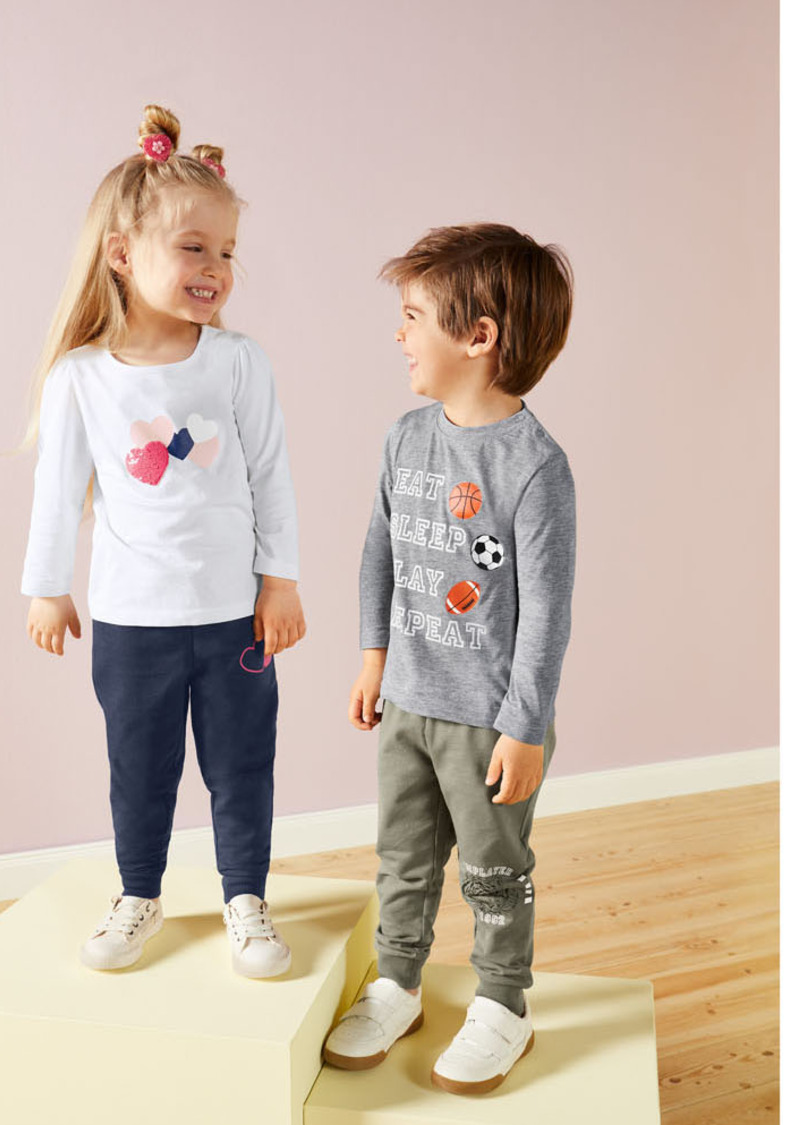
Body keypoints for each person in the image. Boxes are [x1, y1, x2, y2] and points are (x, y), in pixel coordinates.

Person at [19, 105, 305, 979]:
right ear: (121, 253)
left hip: (233, 618)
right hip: (131, 619)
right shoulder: (80, 378)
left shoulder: (239, 361)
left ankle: (245, 898)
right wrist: (47, 586)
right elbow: (57, 489)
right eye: (193, 247)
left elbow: (271, 473)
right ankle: (138, 893)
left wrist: (281, 580)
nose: (215, 268)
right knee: (138, 768)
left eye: (226, 252)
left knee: (241, 765)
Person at [323, 224, 576, 1093]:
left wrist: (525, 727)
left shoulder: (536, 469)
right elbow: (379, 553)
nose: (398, 333)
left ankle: (504, 1002)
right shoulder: (405, 439)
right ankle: (397, 981)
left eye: (413, 316)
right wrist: (373, 659)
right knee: (402, 854)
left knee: (494, 870)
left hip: (488, 721)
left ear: (479, 337)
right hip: (407, 701)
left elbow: (546, 613)